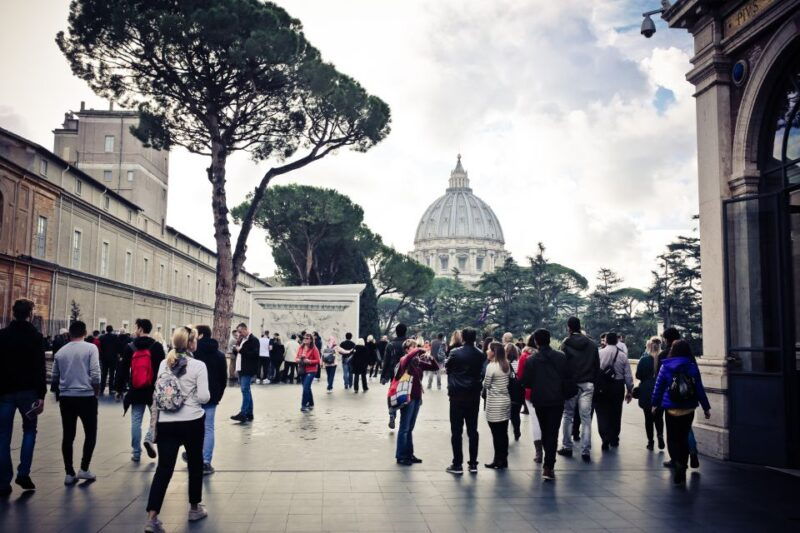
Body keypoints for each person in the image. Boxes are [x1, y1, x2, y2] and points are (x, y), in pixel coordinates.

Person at [144, 326, 210, 532]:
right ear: (191, 343)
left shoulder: (165, 363)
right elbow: (204, 397)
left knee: (164, 469)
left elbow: (159, 390)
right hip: (192, 421)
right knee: (195, 464)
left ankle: (152, 518)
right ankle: (194, 507)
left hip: (166, 422)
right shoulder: (198, 365)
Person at [0, 299, 46, 495]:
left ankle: (3, 481)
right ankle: (23, 472)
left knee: (2, 436)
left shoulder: (2, 336)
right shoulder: (36, 337)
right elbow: (40, 368)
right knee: (29, 431)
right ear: (30, 314)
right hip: (29, 392)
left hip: (5, 392)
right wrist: (41, 394)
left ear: (13, 313)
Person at [651, 340, 711, 484]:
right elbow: (699, 389)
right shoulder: (692, 366)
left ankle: (677, 462)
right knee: (684, 437)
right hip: (688, 407)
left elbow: (658, 387)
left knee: (672, 437)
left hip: (671, 407)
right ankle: (683, 465)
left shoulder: (665, 366)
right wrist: (706, 407)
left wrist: (654, 404)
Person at [51, 320, 101, 485]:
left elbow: (55, 376)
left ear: (69, 334)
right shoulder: (91, 348)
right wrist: (96, 390)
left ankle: (69, 472)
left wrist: (60, 392)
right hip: (86, 396)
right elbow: (95, 372)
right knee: (90, 433)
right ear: (85, 333)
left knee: (68, 435)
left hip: (67, 397)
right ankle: (84, 468)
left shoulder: (61, 352)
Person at [521, 329, 572, 481]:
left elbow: (527, 382)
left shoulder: (532, 360)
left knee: (544, 430)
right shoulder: (561, 357)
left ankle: (547, 463)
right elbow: (568, 376)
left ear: (536, 341)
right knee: (553, 431)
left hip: (540, 400)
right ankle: (549, 465)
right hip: (557, 399)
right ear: (549, 340)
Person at [115, 318, 166, 463]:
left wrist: (119, 389)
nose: (135, 330)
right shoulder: (156, 347)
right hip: (153, 391)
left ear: (140, 329)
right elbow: (162, 370)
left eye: (136, 327)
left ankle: (136, 453)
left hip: (136, 389)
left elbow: (123, 370)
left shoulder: (130, 347)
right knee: (155, 419)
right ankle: (149, 439)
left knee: (136, 420)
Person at [557, 317, 599, 462]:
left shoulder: (565, 343)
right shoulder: (592, 345)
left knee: (568, 415)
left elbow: (561, 365)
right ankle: (585, 450)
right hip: (588, 383)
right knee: (586, 418)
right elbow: (596, 365)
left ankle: (567, 447)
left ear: (569, 327)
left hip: (571, 384)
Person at [658, 327, 700, 469]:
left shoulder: (664, 355)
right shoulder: (689, 356)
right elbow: (696, 380)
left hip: (671, 399)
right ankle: (692, 452)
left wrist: (656, 401)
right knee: (687, 429)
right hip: (688, 398)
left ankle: (676, 460)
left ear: (666, 339)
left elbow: (660, 381)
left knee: (674, 434)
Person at [445, 328, 485, 475]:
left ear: (462, 337)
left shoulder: (455, 352)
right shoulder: (480, 354)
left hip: (457, 394)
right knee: (472, 429)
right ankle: (473, 463)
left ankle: (457, 464)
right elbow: (481, 372)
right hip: (473, 394)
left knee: (456, 431)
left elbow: (448, 367)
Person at [395, 339, 439, 465]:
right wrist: (420, 349)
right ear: (407, 350)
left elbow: (435, 367)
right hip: (407, 397)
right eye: (412, 347)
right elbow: (409, 358)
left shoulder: (417, 362)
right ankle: (401, 455)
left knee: (410, 427)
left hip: (417, 397)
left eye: (415, 346)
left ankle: (409, 454)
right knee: (404, 427)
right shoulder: (404, 360)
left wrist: (430, 357)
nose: (414, 348)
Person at [190, 325, 226, 474]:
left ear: (200, 335)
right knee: (209, 428)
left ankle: (193, 456)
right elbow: (223, 379)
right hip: (211, 396)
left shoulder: (193, 354)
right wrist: (218, 395)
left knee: (193, 428)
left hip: (194, 396)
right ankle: (206, 461)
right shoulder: (219, 355)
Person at [595, 332, 633, 450]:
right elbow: (628, 375)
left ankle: (604, 437)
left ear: (605, 341)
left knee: (602, 412)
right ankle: (614, 438)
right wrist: (629, 390)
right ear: (617, 341)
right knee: (616, 412)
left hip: (602, 386)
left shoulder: (599, 353)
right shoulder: (622, 356)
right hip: (617, 386)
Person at [484, 342, 511, 469]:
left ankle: (497, 459)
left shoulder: (491, 366)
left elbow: (486, 385)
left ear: (494, 352)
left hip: (494, 404)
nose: (487, 351)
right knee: (503, 433)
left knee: (496, 434)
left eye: (489, 350)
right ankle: (503, 459)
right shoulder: (506, 364)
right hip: (505, 401)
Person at [516, 336, 542, 463]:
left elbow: (520, 375)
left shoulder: (524, 356)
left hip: (530, 392)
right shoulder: (544, 356)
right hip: (547, 391)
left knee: (535, 420)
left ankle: (538, 451)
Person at [636, 336, 664, 451]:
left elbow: (638, 375)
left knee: (648, 418)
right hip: (660, 390)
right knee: (659, 417)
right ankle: (660, 436)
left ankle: (650, 442)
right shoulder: (663, 359)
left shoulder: (644, 359)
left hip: (646, 390)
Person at [381, 324, 409, 428]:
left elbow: (386, 362)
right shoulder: (410, 344)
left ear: (396, 332)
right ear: (405, 331)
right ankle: (404, 417)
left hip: (394, 374)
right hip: (407, 374)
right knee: (405, 393)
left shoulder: (390, 344)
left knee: (393, 393)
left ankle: (392, 414)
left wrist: (383, 376)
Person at [231, 323, 259, 422]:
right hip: (241, 368)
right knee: (247, 391)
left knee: (244, 390)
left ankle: (243, 413)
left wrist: (241, 350)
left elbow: (255, 354)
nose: (239, 333)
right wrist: (236, 349)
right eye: (238, 332)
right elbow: (238, 355)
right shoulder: (241, 340)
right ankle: (250, 413)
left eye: (240, 331)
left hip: (248, 369)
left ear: (245, 329)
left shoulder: (254, 340)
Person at [297, 333, 320, 412]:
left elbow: (318, 361)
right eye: (304, 338)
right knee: (306, 388)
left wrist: (309, 361)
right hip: (302, 369)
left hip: (311, 370)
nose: (305, 339)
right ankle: (311, 403)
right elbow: (296, 357)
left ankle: (303, 405)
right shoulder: (301, 347)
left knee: (306, 387)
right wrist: (298, 360)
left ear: (311, 340)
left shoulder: (314, 348)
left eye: (307, 338)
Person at [506, 343, 523, 441]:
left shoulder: (505, 364)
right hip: (519, 392)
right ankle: (517, 431)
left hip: (509, 392)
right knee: (516, 414)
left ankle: (506, 433)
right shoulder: (519, 362)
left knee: (507, 414)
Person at [99, 325, 120, 395]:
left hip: (104, 358)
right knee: (111, 374)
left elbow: (100, 347)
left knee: (104, 374)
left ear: (106, 330)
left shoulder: (102, 337)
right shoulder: (115, 337)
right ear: (112, 330)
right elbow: (117, 347)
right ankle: (111, 389)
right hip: (113, 358)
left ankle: (102, 389)